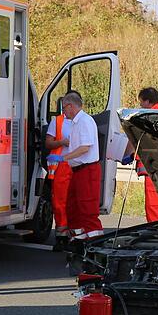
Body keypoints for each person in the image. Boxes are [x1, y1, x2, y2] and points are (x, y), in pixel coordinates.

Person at [58, 90, 104, 241]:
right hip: (78, 170)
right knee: (73, 206)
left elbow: (85, 147)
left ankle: (94, 241)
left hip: (87, 169)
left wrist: (64, 157)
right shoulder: (76, 123)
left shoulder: (85, 121)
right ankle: (79, 236)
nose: (64, 113)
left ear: (70, 106)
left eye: (64, 108)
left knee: (87, 207)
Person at [44, 104, 73, 250]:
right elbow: (48, 143)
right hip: (61, 166)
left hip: (77, 165)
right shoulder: (57, 121)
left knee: (75, 202)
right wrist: (62, 142)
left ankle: (75, 235)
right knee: (59, 202)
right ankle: (62, 235)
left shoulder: (83, 121)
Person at [136, 87, 158, 223]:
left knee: (153, 205)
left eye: (141, 102)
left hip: (153, 168)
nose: (140, 105)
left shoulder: (150, 118)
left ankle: (156, 230)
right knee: (157, 204)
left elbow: (142, 141)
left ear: (148, 102)